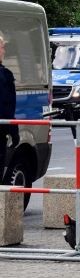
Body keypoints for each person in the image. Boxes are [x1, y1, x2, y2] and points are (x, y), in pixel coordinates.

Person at [0, 36, 17, 181]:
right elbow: (7, 106)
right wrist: (14, 131)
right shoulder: (4, 76)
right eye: (2, 47)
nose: (4, 50)